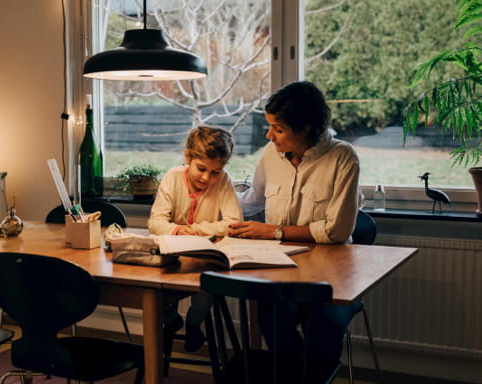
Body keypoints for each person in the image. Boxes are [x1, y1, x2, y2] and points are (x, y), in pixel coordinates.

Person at [228, 81, 360, 381]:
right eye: (269, 127)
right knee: (269, 314)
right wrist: (213, 198)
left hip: (331, 275)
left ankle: (307, 374)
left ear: (306, 127)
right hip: (282, 268)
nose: (269, 135)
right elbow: (252, 201)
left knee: (322, 326)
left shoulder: (343, 157)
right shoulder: (271, 153)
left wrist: (274, 232)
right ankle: (295, 374)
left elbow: (336, 231)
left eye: (278, 129)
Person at [148, 125, 243, 352]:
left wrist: (196, 230)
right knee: (148, 287)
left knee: (208, 284)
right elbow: (156, 222)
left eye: (215, 172)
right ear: (188, 157)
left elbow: (234, 222)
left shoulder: (223, 181)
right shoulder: (172, 177)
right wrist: (178, 230)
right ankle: (171, 319)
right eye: (201, 169)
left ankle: (193, 323)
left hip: (203, 258)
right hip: (170, 256)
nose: (207, 177)